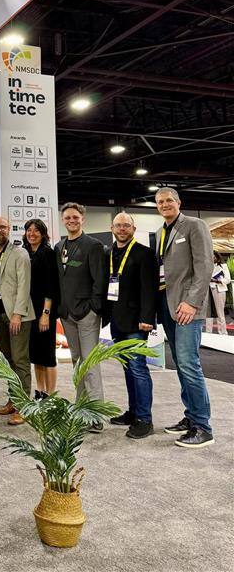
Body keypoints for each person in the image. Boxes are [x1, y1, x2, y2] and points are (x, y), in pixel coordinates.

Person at [155, 187, 215, 448]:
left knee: (189, 364)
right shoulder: (161, 231)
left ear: (179, 202)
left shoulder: (194, 225)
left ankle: (203, 427)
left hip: (187, 306)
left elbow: (204, 265)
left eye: (169, 200)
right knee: (181, 364)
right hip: (168, 306)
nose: (165, 204)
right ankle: (191, 416)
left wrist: (191, 302)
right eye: (160, 202)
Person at [106, 212, 158, 439]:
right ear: (112, 228)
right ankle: (133, 412)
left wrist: (147, 318)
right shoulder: (109, 253)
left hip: (137, 322)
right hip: (117, 321)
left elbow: (149, 288)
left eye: (126, 225)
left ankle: (145, 419)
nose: (122, 229)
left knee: (138, 368)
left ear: (133, 229)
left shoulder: (144, 253)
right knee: (128, 368)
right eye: (118, 225)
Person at [55, 202, 106, 432]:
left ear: (82, 219)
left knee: (90, 363)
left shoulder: (93, 245)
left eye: (75, 217)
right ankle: (81, 409)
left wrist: (93, 308)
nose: (71, 221)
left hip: (86, 314)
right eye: (67, 218)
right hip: (67, 314)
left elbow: (99, 280)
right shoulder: (59, 247)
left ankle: (95, 415)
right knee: (77, 362)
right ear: (63, 220)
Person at [0, 216, 35, 426]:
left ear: (9, 229)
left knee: (20, 360)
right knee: (9, 360)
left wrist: (17, 313)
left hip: (17, 316)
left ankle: (24, 407)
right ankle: (13, 400)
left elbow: (25, 285)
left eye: (2, 227)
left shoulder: (19, 253)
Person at [23, 219, 60, 400]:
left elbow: (51, 286)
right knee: (36, 355)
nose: (32, 234)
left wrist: (46, 314)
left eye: (36, 230)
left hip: (45, 311)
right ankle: (40, 391)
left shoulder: (47, 253)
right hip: (30, 311)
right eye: (29, 230)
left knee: (48, 355)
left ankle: (50, 394)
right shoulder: (26, 252)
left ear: (43, 234)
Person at [206, 252, 231, 335]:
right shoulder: (207, 266)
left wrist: (217, 280)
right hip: (208, 289)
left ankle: (222, 332)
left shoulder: (223, 266)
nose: (212, 258)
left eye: (214, 257)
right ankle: (208, 332)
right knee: (208, 312)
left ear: (218, 257)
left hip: (219, 289)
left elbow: (228, 279)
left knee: (220, 312)